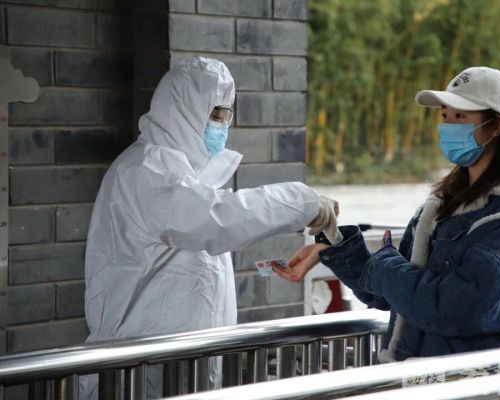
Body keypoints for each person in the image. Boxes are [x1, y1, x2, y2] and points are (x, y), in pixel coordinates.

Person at [81, 56, 339, 398]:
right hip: (139, 373)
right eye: (214, 114)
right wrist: (303, 202)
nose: (221, 125)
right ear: (182, 109)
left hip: (182, 367)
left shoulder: (184, 176)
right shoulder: (146, 170)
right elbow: (218, 219)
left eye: (225, 115)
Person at [275, 66, 500, 363]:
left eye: (461, 116)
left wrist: (385, 265)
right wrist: (332, 247)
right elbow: (391, 292)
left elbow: (453, 308)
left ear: (496, 127)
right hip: (421, 373)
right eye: (445, 116)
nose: (448, 126)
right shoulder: (441, 205)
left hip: (476, 378)